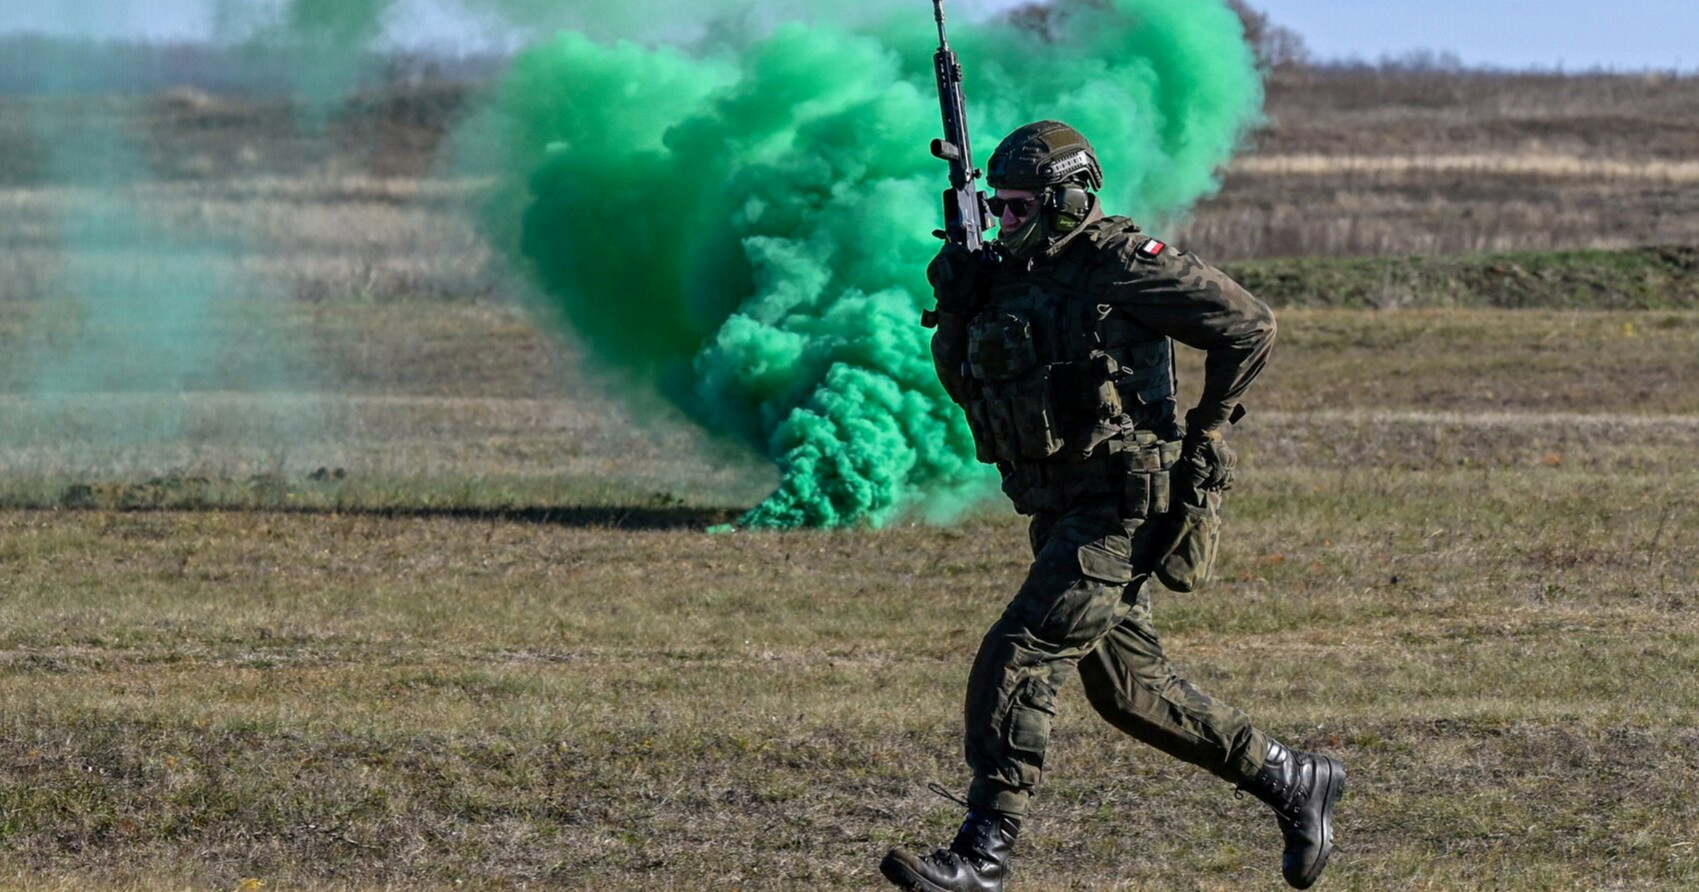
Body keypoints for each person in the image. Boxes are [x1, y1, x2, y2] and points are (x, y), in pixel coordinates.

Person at [880, 121, 1345, 892]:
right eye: (995, 207)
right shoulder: (1004, 275)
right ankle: (1293, 779)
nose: (1004, 220)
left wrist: (1209, 425)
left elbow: (1248, 326)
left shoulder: (1119, 262)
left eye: (1019, 206)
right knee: (1131, 692)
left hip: (1123, 506)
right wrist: (958, 304)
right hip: (1058, 506)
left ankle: (982, 855)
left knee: (1020, 653)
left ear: (1067, 201)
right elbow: (969, 387)